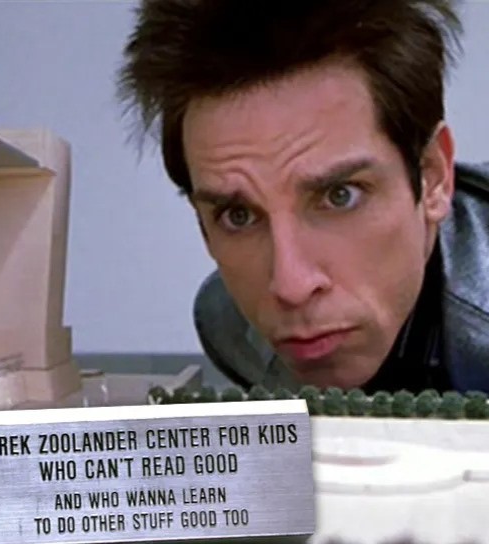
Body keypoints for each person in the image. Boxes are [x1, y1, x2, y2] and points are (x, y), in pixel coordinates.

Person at [118, 0, 489, 394]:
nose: (291, 288)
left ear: (432, 176)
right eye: (238, 215)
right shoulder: (231, 329)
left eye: (340, 196)